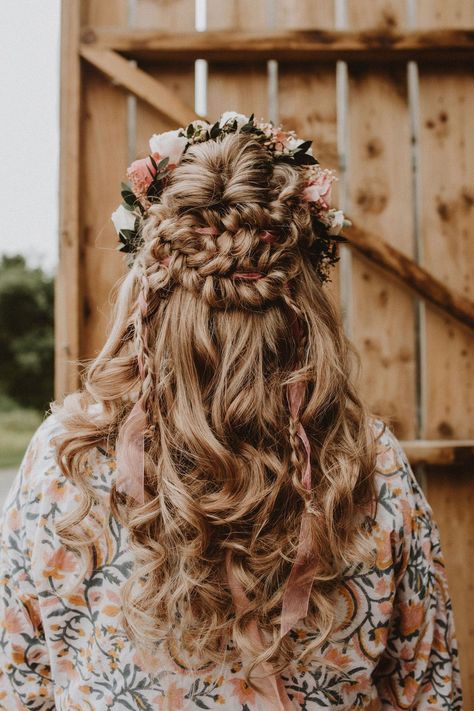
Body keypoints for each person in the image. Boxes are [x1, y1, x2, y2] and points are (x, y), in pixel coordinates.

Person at [0, 113, 462, 710]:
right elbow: (427, 691)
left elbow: (20, 684)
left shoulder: (66, 455)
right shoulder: (370, 465)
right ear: (303, 294)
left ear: (150, 287)